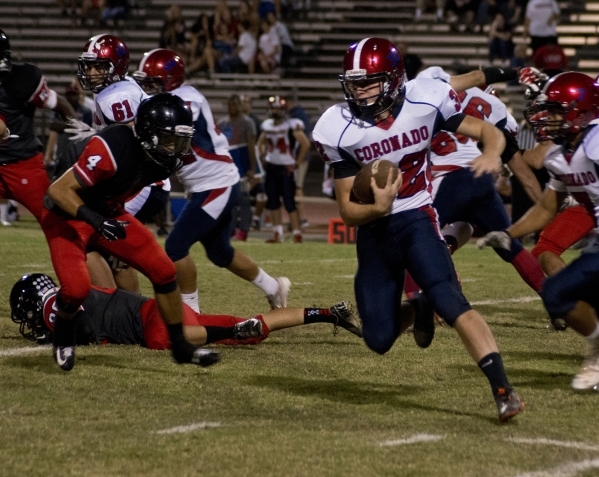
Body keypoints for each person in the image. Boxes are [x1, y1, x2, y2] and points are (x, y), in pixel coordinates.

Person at [312, 37, 524, 422]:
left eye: (368, 81)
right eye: (353, 82)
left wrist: (492, 152)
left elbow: (488, 131)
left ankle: (503, 388)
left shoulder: (427, 97)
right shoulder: (337, 127)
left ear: (394, 79)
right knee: (378, 340)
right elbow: (346, 209)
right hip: (375, 232)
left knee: (451, 298)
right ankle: (418, 306)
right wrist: (374, 207)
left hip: (417, 217)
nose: (358, 91)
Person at [40, 93, 219, 371]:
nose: (178, 147)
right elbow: (58, 190)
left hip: (109, 212)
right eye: (171, 138)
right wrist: (96, 221)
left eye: (181, 139)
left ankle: (180, 345)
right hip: (68, 216)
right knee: (76, 290)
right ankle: (63, 334)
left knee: (163, 270)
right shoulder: (112, 147)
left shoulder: (161, 157)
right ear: (149, 134)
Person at [133, 48, 292, 314]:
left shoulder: (186, 101)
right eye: (145, 82)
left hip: (216, 184)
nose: (147, 89)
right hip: (205, 185)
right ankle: (275, 288)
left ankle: (190, 312)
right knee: (220, 253)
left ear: (170, 80)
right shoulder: (172, 99)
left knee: (175, 246)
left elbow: (167, 130)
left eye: (153, 82)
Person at [477, 72, 599, 390]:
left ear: (581, 110)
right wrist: (509, 233)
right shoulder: (560, 156)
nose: (547, 118)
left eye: (556, 110)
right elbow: (546, 208)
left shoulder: (596, 140)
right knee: (556, 293)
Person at [408, 66, 545, 298]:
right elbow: (525, 175)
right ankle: (558, 301)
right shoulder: (497, 110)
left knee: (414, 239)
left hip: (445, 176)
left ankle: (418, 303)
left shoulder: (428, 88)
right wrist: (545, 209)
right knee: (507, 244)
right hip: (479, 179)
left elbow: (477, 76)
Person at [10, 274, 362, 350]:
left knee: (173, 340)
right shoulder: (70, 289)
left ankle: (229, 334)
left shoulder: (58, 311)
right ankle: (328, 312)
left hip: (150, 321)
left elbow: (81, 330)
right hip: (157, 306)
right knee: (252, 327)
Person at [0, 29, 76, 224]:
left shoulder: (21, 79)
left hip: (23, 163)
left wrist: (78, 133)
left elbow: (60, 104)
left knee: (56, 222)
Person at [258, 95, 310, 243]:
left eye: (277, 108)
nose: (275, 111)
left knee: (289, 201)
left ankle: (297, 234)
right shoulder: (267, 125)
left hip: (286, 167)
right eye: (273, 108)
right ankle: (277, 233)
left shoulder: (291, 125)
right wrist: (263, 154)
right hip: (271, 166)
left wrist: (297, 163)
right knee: (272, 201)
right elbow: (260, 142)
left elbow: (305, 144)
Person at [218, 94, 258, 241]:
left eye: (236, 105)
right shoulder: (223, 123)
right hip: (228, 164)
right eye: (231, 105)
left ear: (240, 106)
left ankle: (244, 230)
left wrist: (252, 168)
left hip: (241, 163)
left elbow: (251, 146)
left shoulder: (247, 123)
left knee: (244, 199)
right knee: (230, 200)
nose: (233, 108)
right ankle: (231, 228)